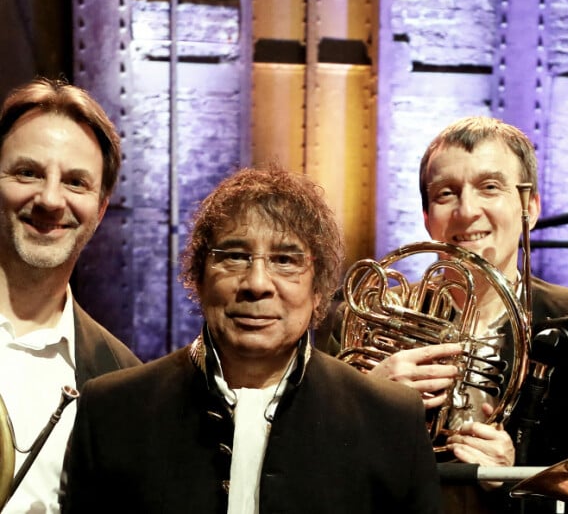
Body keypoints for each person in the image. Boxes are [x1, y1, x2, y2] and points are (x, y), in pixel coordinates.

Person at [62, 165, 442, 514]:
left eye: (285, 261)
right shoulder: (111, 411)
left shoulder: (391, 421)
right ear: (198, 279)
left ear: (318, 291)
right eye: (235, 257)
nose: (257, 284)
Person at [326, 116, 568, 514]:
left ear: (529, 206)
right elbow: (311, 462)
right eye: (446, 194)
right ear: (427, 217)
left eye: (490, 187)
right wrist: (367, 399)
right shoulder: (361, 319)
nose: (467, 211)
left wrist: (518, 477)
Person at [0, 77, 141, 513]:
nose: (49, 199)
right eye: (27, 172)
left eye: (76, 182)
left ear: (100, 209)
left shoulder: (122, 380)